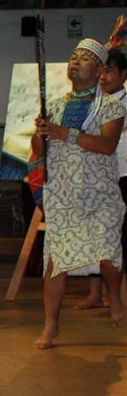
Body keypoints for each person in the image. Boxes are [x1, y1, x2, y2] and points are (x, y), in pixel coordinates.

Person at [33, 39, 126, 348]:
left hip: (100, 194)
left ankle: (113, 297)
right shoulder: (56, 105)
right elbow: (38, 153)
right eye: (73, 56)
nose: (76, 61)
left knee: (108, 254)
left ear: (100, 69)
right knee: (56, 261)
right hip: (63, 195)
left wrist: (65, 134)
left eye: (85, 58)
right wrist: (41, 133)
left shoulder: (112, 105)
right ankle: (51, 324)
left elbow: (107, 145)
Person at [77, 47, 127, 310]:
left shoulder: (121, 104)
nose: (104, 76)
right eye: (102, 70)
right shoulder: (91, 102)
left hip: (123, 173)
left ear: (124, 74)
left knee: (118, 238)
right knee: (95, 237)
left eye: (110, 71)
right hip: (95, 176)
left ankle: (116, 295)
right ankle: (95, 293)